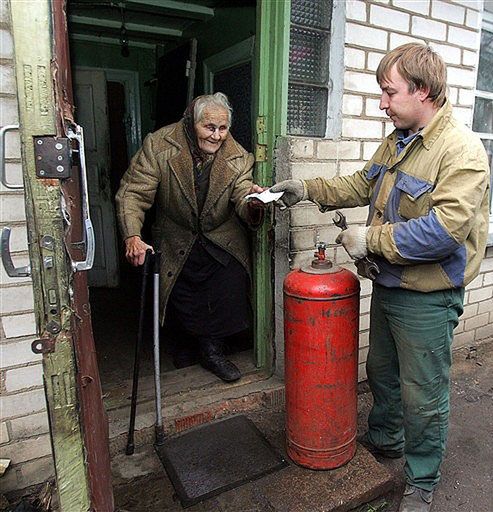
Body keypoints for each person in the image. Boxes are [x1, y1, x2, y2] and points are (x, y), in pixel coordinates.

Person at [271, 43, 490, 512]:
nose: (383, 104)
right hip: (390, 285)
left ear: (424, 91)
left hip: (428, 298)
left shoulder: (461, 152)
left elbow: (443, 232)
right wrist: (306, 190)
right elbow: (360, 184)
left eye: (390, 93)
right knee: (383, 374)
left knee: (423, 394)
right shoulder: (399, 140)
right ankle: (386, 441)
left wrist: (369, 241)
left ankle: (422, 478)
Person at [116, 92, 266, 383]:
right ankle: (188, 345)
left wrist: (252, 202)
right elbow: (133, 192)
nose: (217, 136)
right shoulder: (159, 145)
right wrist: (132, 235)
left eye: (223, 129)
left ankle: (212, 351)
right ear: (191, 122)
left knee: (225, 290)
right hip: (177, 233)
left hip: (220, 235)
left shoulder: (239, 156)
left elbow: (241, 192)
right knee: (181, 294)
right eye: (209, 127)